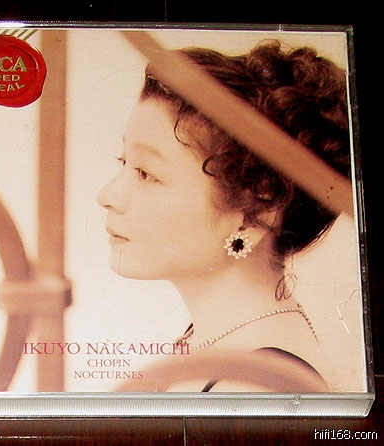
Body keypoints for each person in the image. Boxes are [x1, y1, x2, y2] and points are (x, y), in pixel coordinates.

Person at [96, 39, 351, 392]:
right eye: (123, 161)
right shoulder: (216, 342)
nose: (106, 196)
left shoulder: (257, 388)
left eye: (145, 173)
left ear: (254, 213)